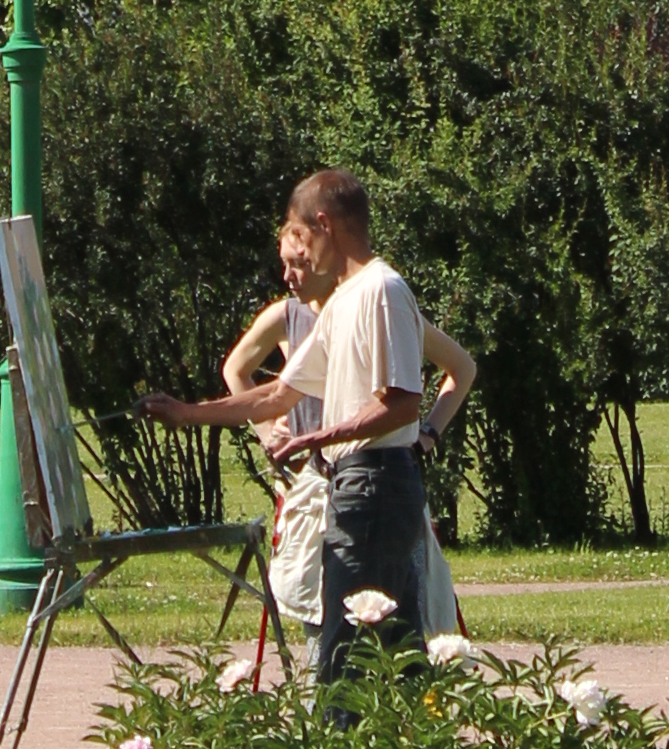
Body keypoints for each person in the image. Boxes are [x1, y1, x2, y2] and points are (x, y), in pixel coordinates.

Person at [138, 174, 461, 689]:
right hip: (353, 484)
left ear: (324, 226)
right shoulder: (343, 300)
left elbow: (402, 404)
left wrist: (316, 438)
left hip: (379, 484)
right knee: (350, 651)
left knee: (358, 659)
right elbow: (276, 396)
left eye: (301, 241)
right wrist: (187, 412)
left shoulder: (383, 289)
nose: (300, 262)